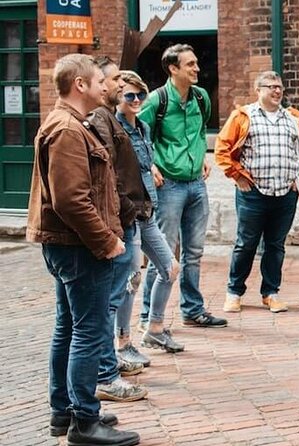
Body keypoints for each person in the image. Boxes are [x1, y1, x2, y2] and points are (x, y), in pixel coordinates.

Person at [26, 53, 139, 446]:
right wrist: (107, 242)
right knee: (89, 333)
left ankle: (67, 411)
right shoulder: (68, 130)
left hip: (71, 246)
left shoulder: (72, 124)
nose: (107, 86)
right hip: (79, 248)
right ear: (80, 84)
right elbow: (71, 200)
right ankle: (83, 422)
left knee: (71, 328)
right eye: (99, 81)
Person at [138, 43, 227, 328]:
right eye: (190, 64)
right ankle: (147, 315)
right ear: (173, 68)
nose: (197, 68)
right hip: (169, 186)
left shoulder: (201, 97)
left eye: (196, 63)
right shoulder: (156, 100)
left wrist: (202, 156)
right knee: (163, 253)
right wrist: (150, 166)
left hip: (197, 185)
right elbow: (137, 136)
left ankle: (192, 310)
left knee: (195, 252)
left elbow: (201, 130)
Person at [215, 71, 299, 313]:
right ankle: (234, 292)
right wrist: (237, 176)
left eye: (279, 87)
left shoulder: (292, 118)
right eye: (270, 87)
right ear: (258, 90)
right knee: (245, 244)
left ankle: (270, 293)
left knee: (276, 246)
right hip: (254, 194)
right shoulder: (243, 116)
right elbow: (222, 148)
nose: (277, 91)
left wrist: (298, 180)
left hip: (284, 194)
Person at [87, 57, 149, 403]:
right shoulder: (99, 119)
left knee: (115, 294)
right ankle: (105, 373)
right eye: (109, 81)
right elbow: (108, 175)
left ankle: (109, 365)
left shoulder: (112, 118)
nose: (112, 85)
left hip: (127, 216)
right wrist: (125, 211)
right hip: (119, 220)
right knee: (106, 303)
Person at [116, 70, 184, 352]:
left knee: (170, 268)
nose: (136, 100)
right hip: (130, 214)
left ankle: (155, 328)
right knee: (131, 280)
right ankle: (123, 342)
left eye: (140, 94)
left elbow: (145, 163)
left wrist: (153, 168)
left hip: (149, 212)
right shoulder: (115, 130)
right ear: (117, 97)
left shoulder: (143, 128)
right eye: (129, 95)